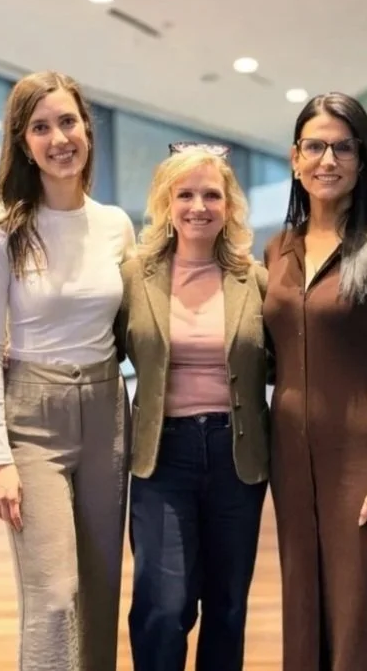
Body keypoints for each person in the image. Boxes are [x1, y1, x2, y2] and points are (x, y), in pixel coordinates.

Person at [0, 70, 135, 671]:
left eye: (68, 121)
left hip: (108, 410)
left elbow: (134, 326)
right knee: (53, 594)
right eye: (41, 127)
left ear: (87, 127)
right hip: (32, 417)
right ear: (23, 141)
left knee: (100, 592)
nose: (59, 137)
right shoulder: (0, 227)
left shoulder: (116, 225)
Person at [262, 91, 367, 671]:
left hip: (364, 457)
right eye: (315, 146)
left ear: (362, 159)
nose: (327, 160)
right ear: (294, 157)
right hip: (288, 457)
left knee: (359, 616)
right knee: (302, 604)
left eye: (342, 147)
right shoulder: (278, 248)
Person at [114, 142, 270, 671]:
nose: (198, 206)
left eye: (211, 194)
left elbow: (286, 361)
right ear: (166, 202)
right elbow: (101, 351)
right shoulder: (137, 276)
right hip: (164, 454)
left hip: (238, 455)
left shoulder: (257, 278)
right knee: (164, 604)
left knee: (227, 606)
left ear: (229, 206)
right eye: (185, 194)